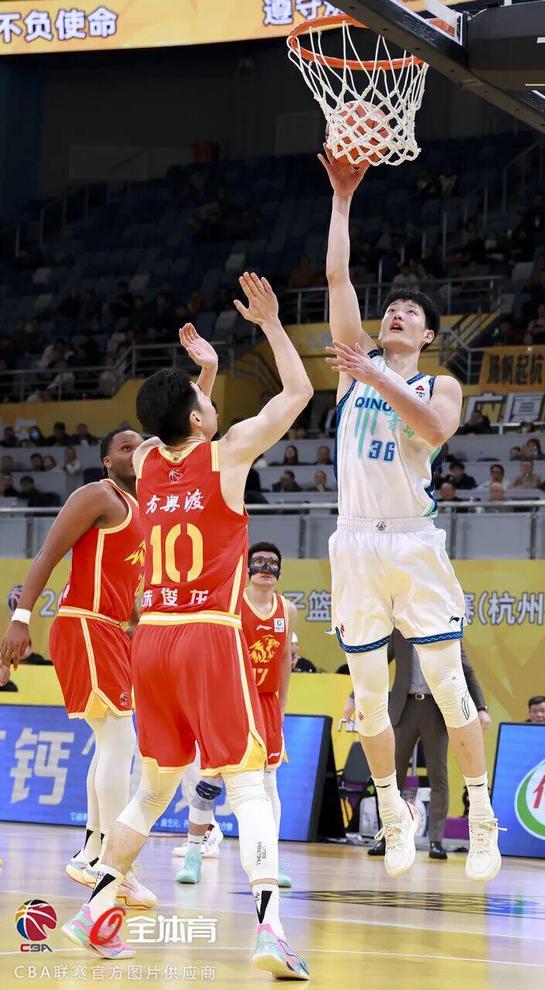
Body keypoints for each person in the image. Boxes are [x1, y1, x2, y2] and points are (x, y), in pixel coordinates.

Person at [62, 277, 312, 979]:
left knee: (154, 787)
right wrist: (272, 325)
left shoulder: (144, 461)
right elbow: (297, 393)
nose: (213, 406)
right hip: (207, 634)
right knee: (250, 786)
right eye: (206, 402)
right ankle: (271, 930)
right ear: (199, 420)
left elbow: (173, 426)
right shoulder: (228, 453)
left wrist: (203, 375)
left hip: (152, 639)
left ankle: (96, 908)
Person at [319, 147, 501, 883]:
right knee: (368, 698)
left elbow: (433, 429)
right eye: (393, 308)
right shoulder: (353, 370)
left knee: (450, 685)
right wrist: (341, 200)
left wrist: (376, 373)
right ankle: (393, 812)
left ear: (426, 337)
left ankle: (480, 816)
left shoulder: (438, 383)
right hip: (354, 543)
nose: (398, 313)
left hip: (414, 542)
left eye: (413, 313)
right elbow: (337, 278)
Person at [0, 426, 154, 909]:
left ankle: (92, 850)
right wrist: (20, 618)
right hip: (85, 624)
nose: (135, 453)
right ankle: (115, 864)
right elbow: (49, 554)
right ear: (107, 461)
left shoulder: (143, 510)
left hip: (112, 629)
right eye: (124, 447)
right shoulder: (97, 495)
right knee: (119, 741)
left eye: (140, 446)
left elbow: (125, 589)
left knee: (111, 743)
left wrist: (142, 623)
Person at [175, 541, 297, 891]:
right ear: (246, 569)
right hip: (228, 702)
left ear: (280, 571)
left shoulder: (287, 609)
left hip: (265, 703)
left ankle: (271, 858)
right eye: (259, 562)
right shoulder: (230, 603)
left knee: (269, 784)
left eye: (272, 562)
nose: (265, 568)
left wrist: (281, 707)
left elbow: (284, 660)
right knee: (209, 782)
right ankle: (194, 853)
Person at [345, 630, 490, 861]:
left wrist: (481, 708)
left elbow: (466, 670)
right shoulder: (398, 632)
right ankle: (389, 836)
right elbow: (377, 664)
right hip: (404, 708)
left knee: (438, 776)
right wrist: (355, 697)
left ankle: (436, 840)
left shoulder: (444, 630)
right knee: (391, 776)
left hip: (436, 710)